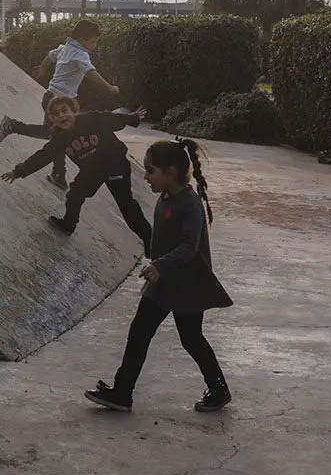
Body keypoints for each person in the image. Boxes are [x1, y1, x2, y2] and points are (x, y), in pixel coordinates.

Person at [85, 138, 232, 414]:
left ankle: (219, 389)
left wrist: (160, 265)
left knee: (191, 339)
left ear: (170, 172)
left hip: (187, 285)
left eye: (151, 170)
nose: (146, 176)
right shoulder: (165, 197)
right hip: (163, 282)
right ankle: (122, 393)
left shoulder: (189, 204)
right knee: (139, 333)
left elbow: (189, 246)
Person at [1, 95, 152, 249]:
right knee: (74, 195)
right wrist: (18, 171)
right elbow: (43, 156)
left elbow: (112, 118)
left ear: (74, 111)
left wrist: (133, 118)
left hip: (115, 165)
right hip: (91, 171)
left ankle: (150, 240)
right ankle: (68, 224)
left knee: (126, 204)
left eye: (64, 110)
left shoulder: (90, 119)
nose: (61, 116)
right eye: (56, 114)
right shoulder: (60, 139)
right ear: (52, 119)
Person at [0, 20, 120, 191]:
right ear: (82, 40)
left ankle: (59, 174)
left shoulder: (65, 48)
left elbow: (50, 56)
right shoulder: (80, 54)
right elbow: (91, 73)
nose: (95, 46)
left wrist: (42, 68)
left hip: (52, 98)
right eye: (93, 42)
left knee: (60, 136)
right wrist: (109, 88)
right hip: (58, 103)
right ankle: (14, 126)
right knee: (54, 135)